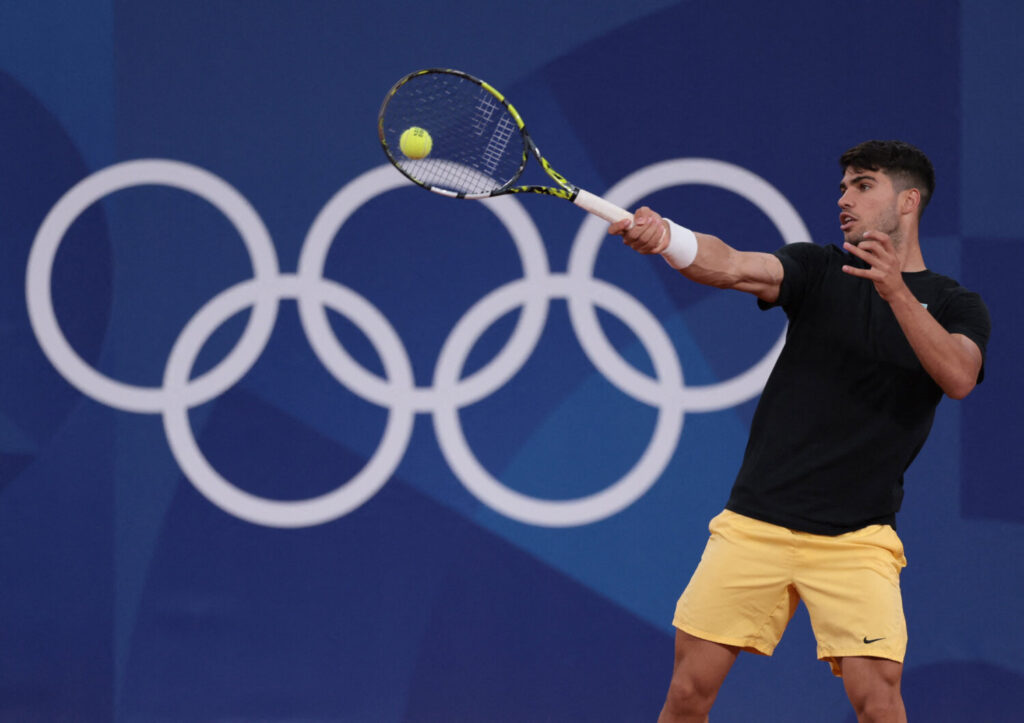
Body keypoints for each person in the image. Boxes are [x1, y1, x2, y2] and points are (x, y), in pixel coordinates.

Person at [609, 140, 990, 723]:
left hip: (858, 540)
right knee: (687, 693)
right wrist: (668, 240)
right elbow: (733, 264)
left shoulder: (955, 303)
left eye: (862, 185)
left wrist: (896, 292)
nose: (844, 198)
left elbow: (960, 375)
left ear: (908, 200)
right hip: (756, 523)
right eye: (842, 186)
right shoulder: (817, 269)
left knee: (878, 703)